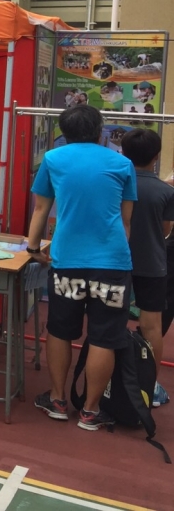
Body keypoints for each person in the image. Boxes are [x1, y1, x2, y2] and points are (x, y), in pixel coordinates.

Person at [27, 104, 137, 431]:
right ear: (99, 129)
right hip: (112, 263)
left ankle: (59, 401)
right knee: (105, 336)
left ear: (65, 130)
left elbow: (41, 209)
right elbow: (126, 220)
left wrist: (33, 249)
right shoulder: (122, 163)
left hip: (67, 260)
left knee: (60, 331)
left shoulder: (53, 159)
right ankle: (90, 412)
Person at [120, 128, 174, 403]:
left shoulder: (116, 184)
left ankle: (113, 380)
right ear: (156, 156)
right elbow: (165, 230)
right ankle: (149, 387)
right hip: (152, 263)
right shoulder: (165, 190)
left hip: (117, 261)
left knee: (111, 321)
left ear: (124, 153)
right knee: (152, 325)